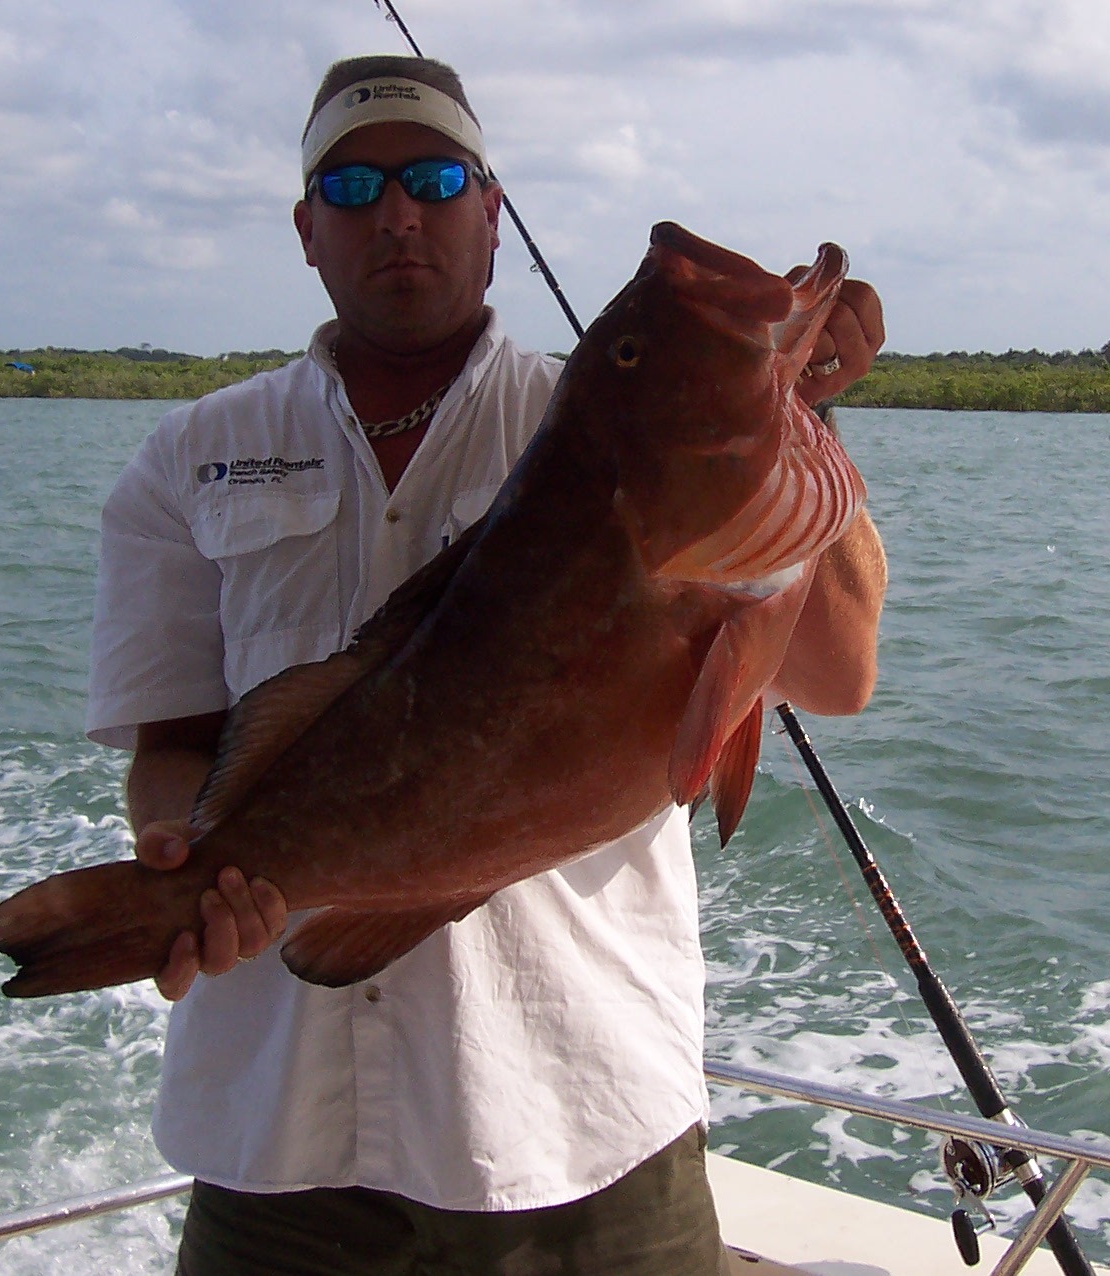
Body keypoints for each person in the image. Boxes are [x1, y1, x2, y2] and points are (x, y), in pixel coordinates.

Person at [85, 53, 888, 1275]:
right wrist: (180, 857)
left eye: (435, 178)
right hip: (274, 1145)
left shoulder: (583, 422)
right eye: (352, 186)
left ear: (492, 213)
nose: (397, 213)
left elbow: (836, 678)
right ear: (306, 231)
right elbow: (175, 746)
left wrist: (800, 414)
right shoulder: (192, 454)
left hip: (583, 1128)